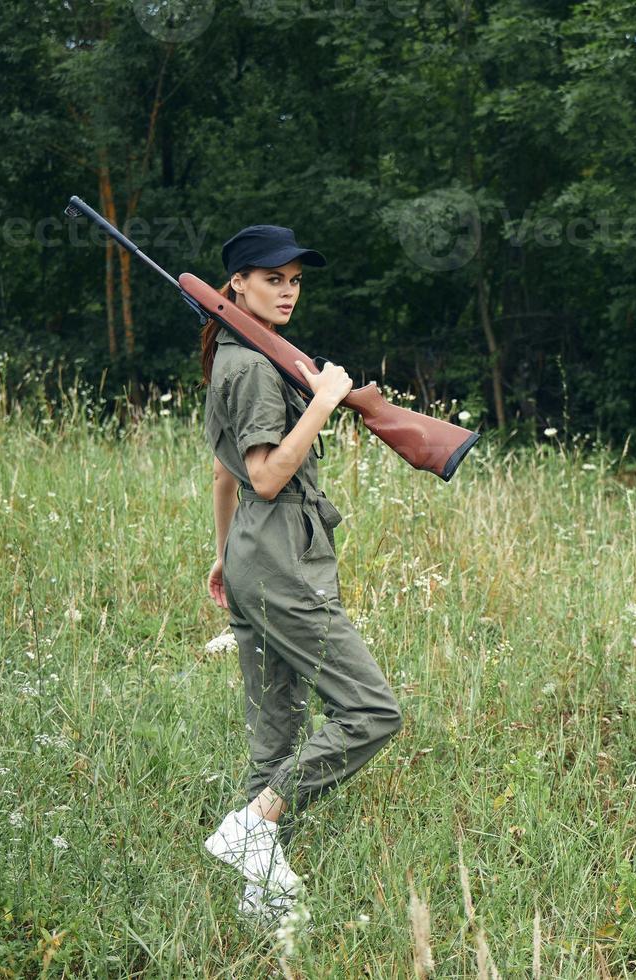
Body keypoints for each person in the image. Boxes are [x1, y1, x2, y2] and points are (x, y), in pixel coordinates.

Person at [199, 224, 404, 924]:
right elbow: (261, 475)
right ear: (237, 286)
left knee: (276, 737)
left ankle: (261, 908)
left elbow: (223, 477)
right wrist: (323, 401)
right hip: (284, 561)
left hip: (258, 559)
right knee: (374, 711)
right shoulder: (255, 367)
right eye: (272, 278)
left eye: (294, 280)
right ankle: (255, 824)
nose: (286, 291)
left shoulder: (238, 354)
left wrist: (227, 554)